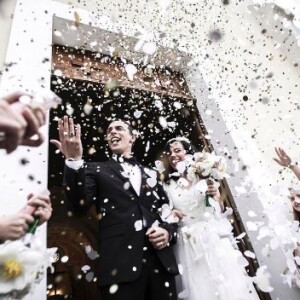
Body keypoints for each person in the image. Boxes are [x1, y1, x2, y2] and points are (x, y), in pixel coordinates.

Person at [51, 116, 179, 300]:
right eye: (109, 130)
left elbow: (168, 213)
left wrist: (167, 232)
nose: (112, 132)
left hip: (161, 265)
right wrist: (74, 160)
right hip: (120, 266)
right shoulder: (96, 170)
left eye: (119, 128)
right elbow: (78, 205)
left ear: (132, 137)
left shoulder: (152, 173)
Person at [160, 137, 259, 300]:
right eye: (170, 153)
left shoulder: (204, 178)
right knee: (201, 287)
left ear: (188, 153)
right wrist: (172, 215)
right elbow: (167, 213)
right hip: (188, 242)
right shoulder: (168, 186)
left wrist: (216, 197)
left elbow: (218, 210)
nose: (173, 155)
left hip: (212, 237)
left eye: (177, 150)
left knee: (228, 283)